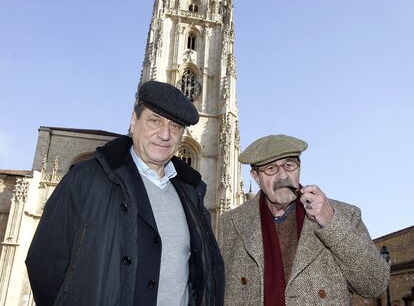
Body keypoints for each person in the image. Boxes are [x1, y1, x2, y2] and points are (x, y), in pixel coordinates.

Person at [26, 81, 224, 306]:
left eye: (175, 126)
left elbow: (201, 273)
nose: (165, 134)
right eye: (155, 121)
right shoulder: (86, 179)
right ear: (133, 121)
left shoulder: (191, 194)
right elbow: (44, 264)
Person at [218, 134, 390, 306]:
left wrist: (331, 222)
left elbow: (374, 286)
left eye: (289, 165)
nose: (283, 176)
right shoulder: (230, 224)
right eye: (271, 168)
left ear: (299, 167)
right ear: (256, 176)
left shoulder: (345, 215)